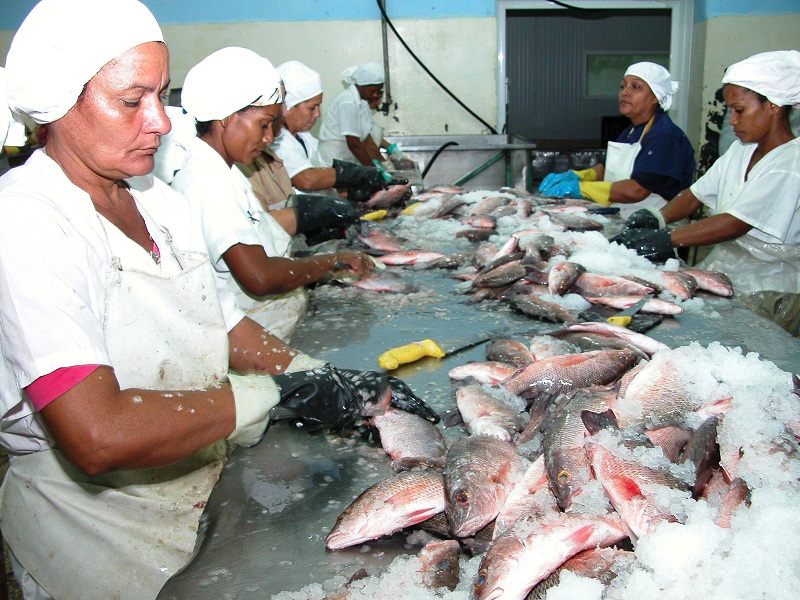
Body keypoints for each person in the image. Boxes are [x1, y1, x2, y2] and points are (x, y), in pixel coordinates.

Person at [0, 2, 429, 598]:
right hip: (91, 532)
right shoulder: (26, 222)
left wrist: (324, 377)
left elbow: (222, 324)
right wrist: (269, 394)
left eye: (160, 96)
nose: (161, 121)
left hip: (196, 488)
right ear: (55, 105)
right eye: (132, 102)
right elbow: (97, 434)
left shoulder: (156, 201)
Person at [170, 47, 376, 342]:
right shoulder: (206, 181)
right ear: (226, 116)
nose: (269, 138)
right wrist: (332, 261)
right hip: (250, 334)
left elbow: (262, 242)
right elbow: (260, 277)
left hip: (269, 323)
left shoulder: (227, 172)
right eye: (264, 124)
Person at [613, 51, 800, 336]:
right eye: (730, 111)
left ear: (773, 106)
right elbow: (695, 194)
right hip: (725, 271)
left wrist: (664, 239)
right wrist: (657, 217)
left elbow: (736, 222)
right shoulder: (742, 149)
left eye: (739, 110)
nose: (732, 121)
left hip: (770, 287)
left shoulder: (791, 163)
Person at [538, 62, 696, 218]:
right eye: (623, 86)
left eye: (636, 87)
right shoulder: (632, 130)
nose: (625, 92)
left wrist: (581, 188)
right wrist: (580, 175)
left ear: (656, 97)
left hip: (657, 224)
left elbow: (637, 190)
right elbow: (610, 169)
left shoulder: (664, 136)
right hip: (628, 214)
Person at [265, 59, 407, 202]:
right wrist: (358, 174)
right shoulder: (278, 142)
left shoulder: (304, 137)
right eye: (312, 108)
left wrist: (356, 194)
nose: (318, 114)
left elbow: (320, 190)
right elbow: (306, 179)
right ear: (287, 107)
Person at [318, 61, 411, 168]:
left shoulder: (362, 102)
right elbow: (354, 144)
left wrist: (384, 160)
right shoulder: (347, 102)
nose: (375, 95)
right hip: (333, 161)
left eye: (378, 91)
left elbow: (367, 139)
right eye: (372, 91)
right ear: (361, 86)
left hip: (347, 161)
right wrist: (374, 170)